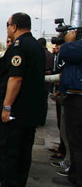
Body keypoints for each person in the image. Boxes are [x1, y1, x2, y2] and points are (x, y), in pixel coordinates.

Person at [0, 12, 45, 187]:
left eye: (7, 25)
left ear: (14, 26)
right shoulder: (36, 46)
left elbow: (15, 78)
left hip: (16, 115)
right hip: (30, 114)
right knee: (23, 158)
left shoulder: (19, 46)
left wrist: (6, 107)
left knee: (8, 158)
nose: (7, 29)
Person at [56, 30, 82, 186]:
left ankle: (77, 178)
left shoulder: (76, 47)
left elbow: (65, 52)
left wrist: (69, 40)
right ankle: (73, 175)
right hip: (74, 95)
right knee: (74, 140)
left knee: (77, 141)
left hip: (78, 100)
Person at [38, 37, 54, 126]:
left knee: (37, 102)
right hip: (48, 83)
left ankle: (37, 120)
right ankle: (42, 121)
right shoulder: (51, 55)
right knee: (44, 102)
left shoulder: (39, 54)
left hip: (38, 81)